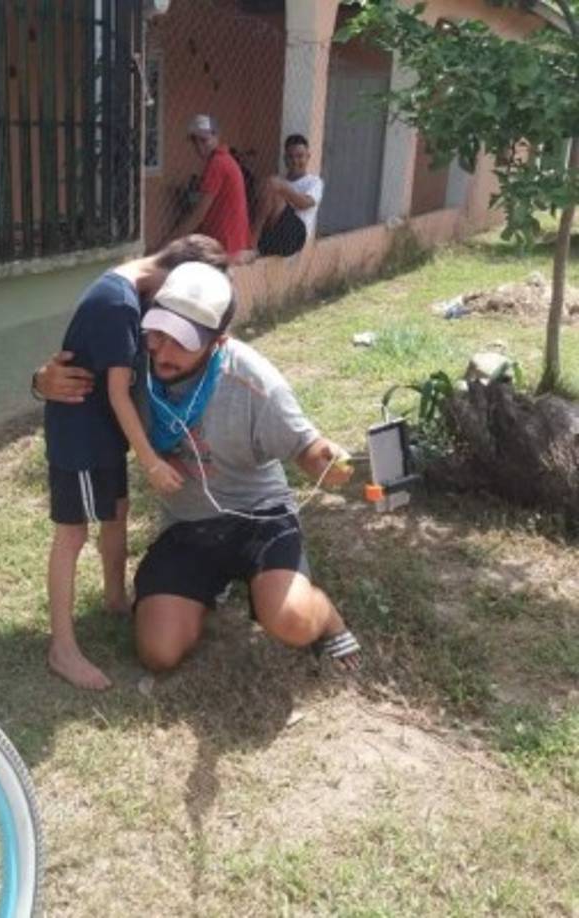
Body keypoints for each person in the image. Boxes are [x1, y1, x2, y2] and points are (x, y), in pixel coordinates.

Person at [37, 263, 361, 678]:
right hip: (187, 525)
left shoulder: (254, 381)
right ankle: (210, 587)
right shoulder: (137, 360)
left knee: (292, 621)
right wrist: (41, 381)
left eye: (182, 341)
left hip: (260, 517)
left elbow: (307, 447)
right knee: (159, 653)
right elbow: (70, 376)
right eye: (158, 332)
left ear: (218, 341)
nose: (162, 350)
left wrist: (324, 461)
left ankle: (326, 616)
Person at [37, 236, 228, 691]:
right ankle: (61, 648)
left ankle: (115, 598)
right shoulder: (117, 304)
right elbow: (118, 392)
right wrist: (150, 461)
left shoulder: (126, 295)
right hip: (81, 437)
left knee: (117, 514)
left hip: (104, 434)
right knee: (73, 533)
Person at [166, 114, 252, 260]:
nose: (199, 146)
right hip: (231, 242)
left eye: (204, 140)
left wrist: (167, 245)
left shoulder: (217, 163)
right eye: (195, 141)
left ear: (216, 137)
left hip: (224, 245)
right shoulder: (223, 159)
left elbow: (197, 215)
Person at [250, 133, 324, 259]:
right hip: (274, 233)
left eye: (300, 156)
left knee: (272, 186)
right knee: (265, 188)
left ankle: (251, 243)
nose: (295, 161)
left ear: (308, 157)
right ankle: (255, 241)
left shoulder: (314, 182)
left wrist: (281, 188)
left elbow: (305, 204)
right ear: (285, 158)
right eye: (290, 157)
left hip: (295, 236)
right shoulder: (279, 181)